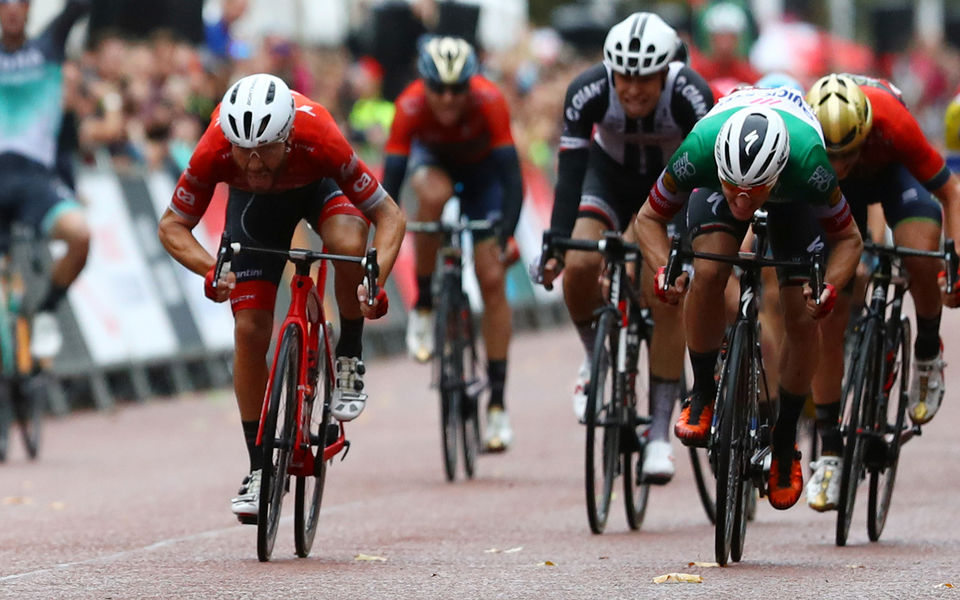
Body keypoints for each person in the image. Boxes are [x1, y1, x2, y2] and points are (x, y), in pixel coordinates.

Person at [158, 74, 405, 521]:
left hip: (321, 187)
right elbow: (172, 225)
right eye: (243, 150)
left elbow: (389, 216)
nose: (253, 162)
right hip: (257, 208)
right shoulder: (215, 145)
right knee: (250, 329)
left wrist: (375, 281)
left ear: (288, 136)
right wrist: (211, 269)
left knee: (348, 245)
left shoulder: (319, 134)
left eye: (265, 149)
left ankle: (349, 352)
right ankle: (259, 470)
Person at [633, 85, 863, 509]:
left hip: (792, 199)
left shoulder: (809, 164)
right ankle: (703, 392)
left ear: (774, 175)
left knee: (802, 315)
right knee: (708, 272)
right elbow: (648, 218)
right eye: (733, 186)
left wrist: (828, 287)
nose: (741, 199)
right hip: (725, 172)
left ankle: (785, 438)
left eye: (753, 190)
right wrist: (665, 270)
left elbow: (849, 238)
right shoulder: (700, 150)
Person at [536, 12, 713, 483]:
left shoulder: (691, 92)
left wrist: (686, 246)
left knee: (665, 291)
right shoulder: (588, 89)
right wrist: (556, 241)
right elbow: (571, 170)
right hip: (609, 179)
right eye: (624, 78)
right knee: (580, 262)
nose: (633, 89)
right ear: (610, 72)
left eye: (645, 79)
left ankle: (658, 436)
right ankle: (593, 359)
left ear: (666, 71)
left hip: (673, 188)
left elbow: (706, 179)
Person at [803, 73, 960, 512]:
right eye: (832, 154)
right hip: (836, 197)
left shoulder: (893, 122)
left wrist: (955, 262)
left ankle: (926, 352)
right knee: (828, 310)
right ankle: (830, 452)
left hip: (895, 175)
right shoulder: (803, 136)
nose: (840, 163)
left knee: (920, 257)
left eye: (848, 152)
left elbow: (950, 193)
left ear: (866, 130)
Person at [382, 36, 523, 452]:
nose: (447, 98)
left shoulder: (490, 100)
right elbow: (390, 183)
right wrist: (383, 233)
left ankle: (497, 404)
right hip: (434, 167)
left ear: (471, 84)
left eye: (457, 89)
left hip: (484, 178)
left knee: (492, 279)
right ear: (424, 84)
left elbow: (512, 178)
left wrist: (507, 234)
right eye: (438, 88)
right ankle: (424, 304)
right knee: (430, 197)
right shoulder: (409, 105)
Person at [0, 0, 91, 359]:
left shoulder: (48, 45)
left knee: (80, 235)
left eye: (19, 3)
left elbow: (79, 6)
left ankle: (47, 310)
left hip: (34, 180)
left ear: (29, 10)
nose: (11, 10)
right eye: (4, 4)